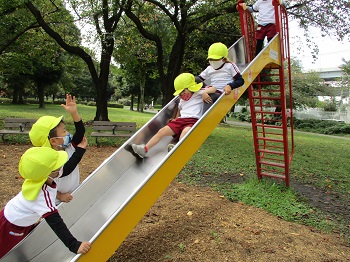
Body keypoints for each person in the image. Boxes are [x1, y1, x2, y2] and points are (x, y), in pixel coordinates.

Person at [0, 147, 91, 258]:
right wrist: (74, 245)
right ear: (51, 173)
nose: (62, 167)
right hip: (12, 226)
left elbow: (50, 191)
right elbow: (56, 223)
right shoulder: (42, 196)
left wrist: (60, 196)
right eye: (59, 166)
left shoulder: (39, 179)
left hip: (14, 216)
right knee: (4, 252)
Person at [131, 73, 217, 158]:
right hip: (180, 120)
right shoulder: (182, 99)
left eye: (183, 91)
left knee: (185, 132)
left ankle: (177, 148)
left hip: (192, 121)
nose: (182, 95)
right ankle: (144, 149)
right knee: (162, 131)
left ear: (191, 88)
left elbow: (213, 88)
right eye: (180, 93)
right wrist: (175, 118)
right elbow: (180, 109)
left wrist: (205, 93)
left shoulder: (198, 93)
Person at [29, 94, 86, 205]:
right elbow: (66, 170)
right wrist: (59, 196)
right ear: (53, 141)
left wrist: (74, 113)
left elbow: (80, 132)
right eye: (64, 132)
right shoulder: (47, 161)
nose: (68, 133)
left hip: (73, 195)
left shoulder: (68, 146)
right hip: (55, 202)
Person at [196, 42, 245, 113]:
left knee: (210, 96)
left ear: (224, 59)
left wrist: (230, 86)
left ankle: (205, 117)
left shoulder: (229, 66)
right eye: (210, 59)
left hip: (221, 93)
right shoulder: (209, 68)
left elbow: (240, 80)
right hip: (211, 89)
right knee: (195, 79)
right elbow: (199, 79)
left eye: (215, 59)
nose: (212, 61)